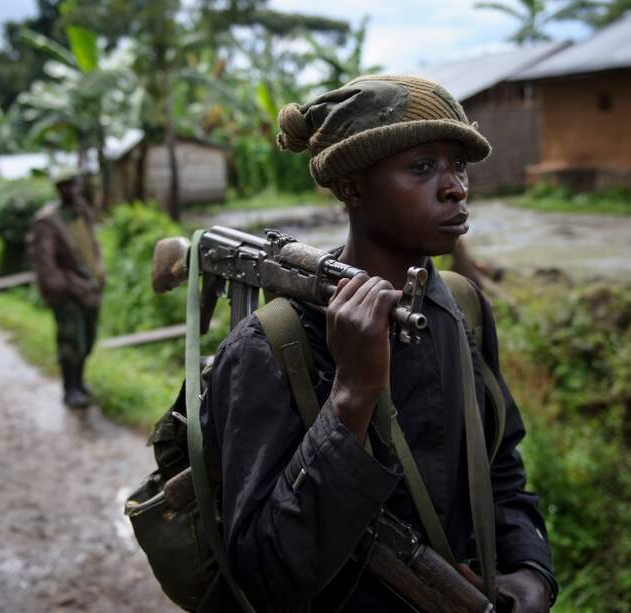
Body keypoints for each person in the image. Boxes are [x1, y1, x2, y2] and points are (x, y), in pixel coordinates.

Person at [198, 76, 556, 612]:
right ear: (352, 188)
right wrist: (352, 395)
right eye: (422, 167)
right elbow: (264, 573)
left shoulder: (462, 308)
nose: (456, 187)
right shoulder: (271, 345)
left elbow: (500, 464)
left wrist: (529, 566)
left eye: (458, 165)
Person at [27, 168, 105, 409]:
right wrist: (64, 288)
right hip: (68, 291)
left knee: (87, 338)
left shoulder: (81, 211)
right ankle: (70, 389)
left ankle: (79, 383)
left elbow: (91, 244)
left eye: (73, 184)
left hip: (89, 287)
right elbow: (45, 263)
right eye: (65, 186)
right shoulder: (47, 220)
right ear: (58, 189)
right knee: (71, 340)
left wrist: (98, 274)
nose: (70, 190)